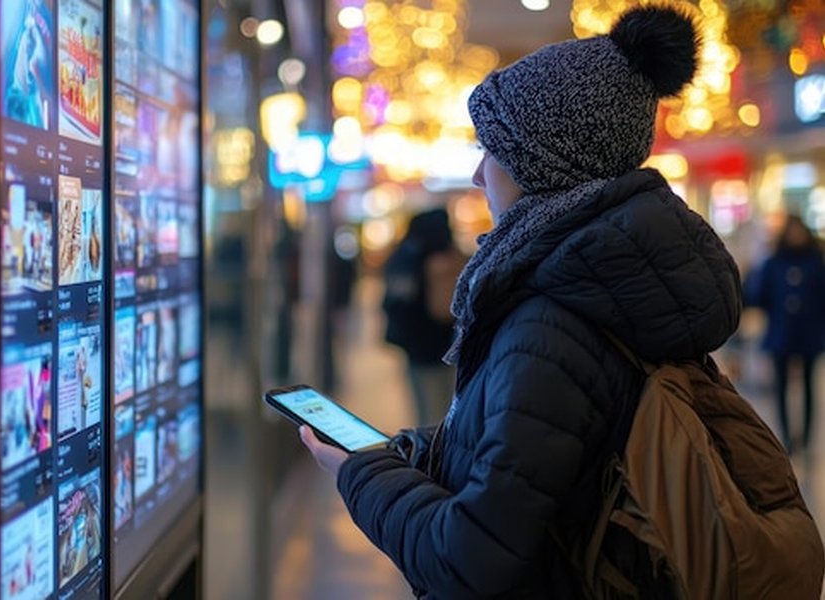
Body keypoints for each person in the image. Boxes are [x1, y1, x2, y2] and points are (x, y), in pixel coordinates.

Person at [301, 5, 743, 597]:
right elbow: (544, 460)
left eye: (493, 152)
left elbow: (470, 560)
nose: (478, 176)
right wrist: (411, 451)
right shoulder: (604, 285)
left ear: (541, 164)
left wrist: (359, 472)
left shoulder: (552, 320)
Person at [744, 214, 825, 456]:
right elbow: (759, 296)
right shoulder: (773, 263)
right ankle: (787, 437)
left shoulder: (815, 262)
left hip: (810, 334)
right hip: (781, 334)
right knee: (781, 388)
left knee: (809, 387)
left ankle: (806, 439)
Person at [382, 208, 465, 425]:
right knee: (447, 407)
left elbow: (395, 303)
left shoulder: (405, 256)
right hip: (446, 344)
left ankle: (431, 443)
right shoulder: (449, 255)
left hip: (418, 348)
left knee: (427, 408)